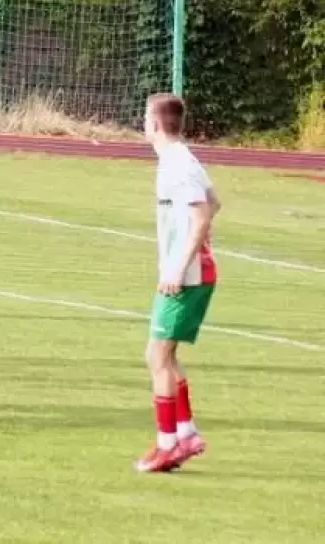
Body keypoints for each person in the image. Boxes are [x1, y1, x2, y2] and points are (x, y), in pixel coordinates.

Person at [134, 93, 218, 473]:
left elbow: (202, 215)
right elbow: (215, 202)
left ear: (154, 124)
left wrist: (177, 268)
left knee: (157, 356)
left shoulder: (177, 165)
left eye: (145, 118)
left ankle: (168, 444)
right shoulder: (181, 158)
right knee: (166, 356)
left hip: (186, 277)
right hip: (190, 273)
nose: (143, 124)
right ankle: (186, 433)